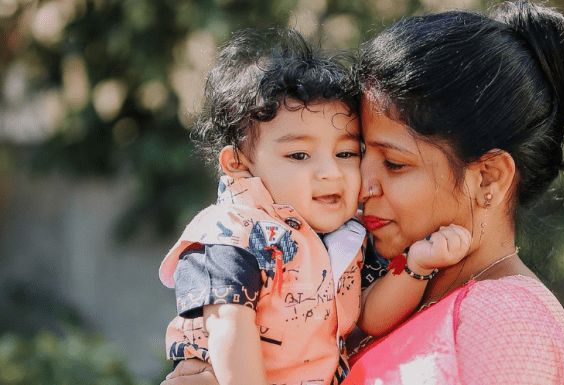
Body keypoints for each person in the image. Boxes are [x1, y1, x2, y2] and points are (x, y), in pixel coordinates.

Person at [162, 0, 564, 383]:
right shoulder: (371, 288)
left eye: (394, 164)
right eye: (360, 156)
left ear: (488, 177)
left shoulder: (508, 321)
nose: (359, 187)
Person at [158, 28, 470, 385]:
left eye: (346, 153)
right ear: (238, 164)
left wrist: (416, 267)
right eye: (299, 155)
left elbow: (367, 314)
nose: (330, 173)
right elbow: (228, 325)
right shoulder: (231, 233)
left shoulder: (347, 236)